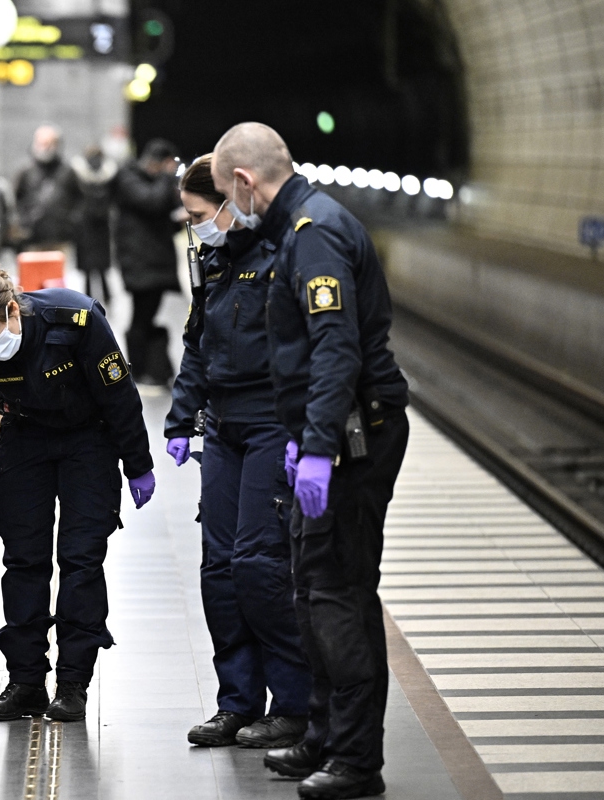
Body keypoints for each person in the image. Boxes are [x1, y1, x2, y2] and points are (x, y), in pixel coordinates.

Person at [213, 122, 410, 800]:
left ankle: (358, 760)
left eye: (227, 198)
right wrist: (301, 435)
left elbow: (335, 350)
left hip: (355, 440)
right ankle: (325, 736)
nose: (229, 213)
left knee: (337, 597)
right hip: (327, 436)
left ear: (244, 181)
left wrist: (319, 449)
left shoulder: (313, 234)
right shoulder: (295, 229)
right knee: (310, 588)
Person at [0, 262, 156, 723]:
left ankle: (72, 684)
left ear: (12, 310)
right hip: (24, 440)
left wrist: (138, 464)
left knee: (81, 561)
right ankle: (25, 682)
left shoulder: (77, 319)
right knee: (23, 562)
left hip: (88, 442)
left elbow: (120, 397)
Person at [164, 154, 312, 750]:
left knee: (261, 567)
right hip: (221, 429)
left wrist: (311, 434)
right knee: (218, 570)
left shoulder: (282, 256)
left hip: (272, 426)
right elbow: (198, 341)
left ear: (231, 202)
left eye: (199, 214)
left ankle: (295, 703)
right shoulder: (213, 258)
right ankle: (238, 702)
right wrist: (180, 418)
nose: (194, 226)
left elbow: (311, 349)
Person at [114, 138, 182, 385]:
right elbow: (151, 202)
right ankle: (139, 370)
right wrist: (166, 177)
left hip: (155, 264)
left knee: (145, 317)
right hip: (141, 264)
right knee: (141, 318)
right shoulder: (129, 177)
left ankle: (150, 370)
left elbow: (167, 213)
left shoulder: (154, 181)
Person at [13, 125, 78, 251]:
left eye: (49, 143)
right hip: (32, 239)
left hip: (60, 238)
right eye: (41, 143)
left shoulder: (68, 172)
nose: (45, 147)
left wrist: (70, 222)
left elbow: (79, 199)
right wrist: (25, 222)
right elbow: (16, 200)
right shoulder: (25, 172)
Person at [69, 144, 117, 305]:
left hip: (85, 226)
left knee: (89, 270)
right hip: (102, 226)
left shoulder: (77, 173)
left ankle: (88, 300)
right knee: (102, 269)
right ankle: (107, 298)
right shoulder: (110, 174)